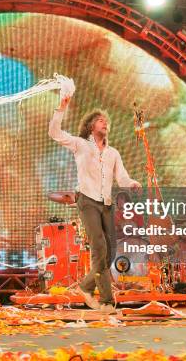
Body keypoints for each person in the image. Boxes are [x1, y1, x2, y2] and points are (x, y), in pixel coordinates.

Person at [48, 95, 141, 314]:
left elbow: (122, 178)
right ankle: (107, 302)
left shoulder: (113, 153)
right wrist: (61, 108)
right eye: (100, 121)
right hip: (87, 200)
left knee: (109, 253)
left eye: (106, 121)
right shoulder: (80, 144)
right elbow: (54, 133)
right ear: (91, 126)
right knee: (99, 245)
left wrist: (132, 183)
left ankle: (86, 286)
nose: (105, 123)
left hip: (106, 203)